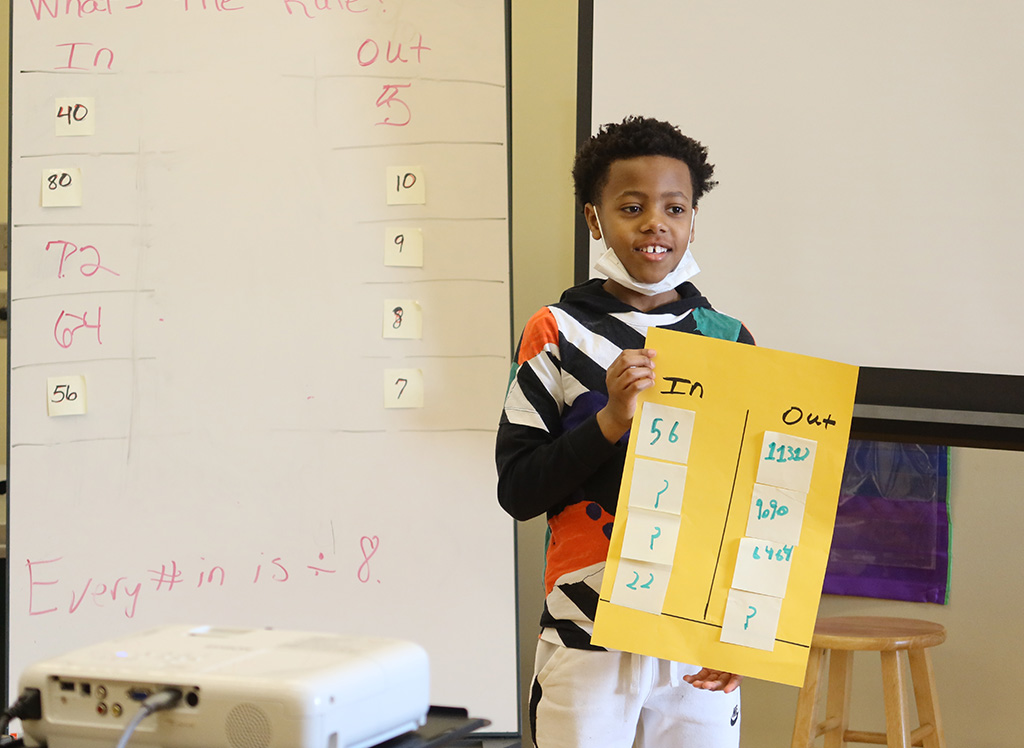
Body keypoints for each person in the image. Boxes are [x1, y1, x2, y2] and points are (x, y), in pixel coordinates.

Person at [495, 116, 755, 747]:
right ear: (595, 218)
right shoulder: (555, 331)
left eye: (675, 207)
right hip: (586, 631)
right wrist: (611, 418)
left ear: (693, 219)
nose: (654, 224)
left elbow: (749, 500)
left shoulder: (729, 340)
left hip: (694, 640)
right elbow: (520, 491)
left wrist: (741, 630)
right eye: (631, 206)